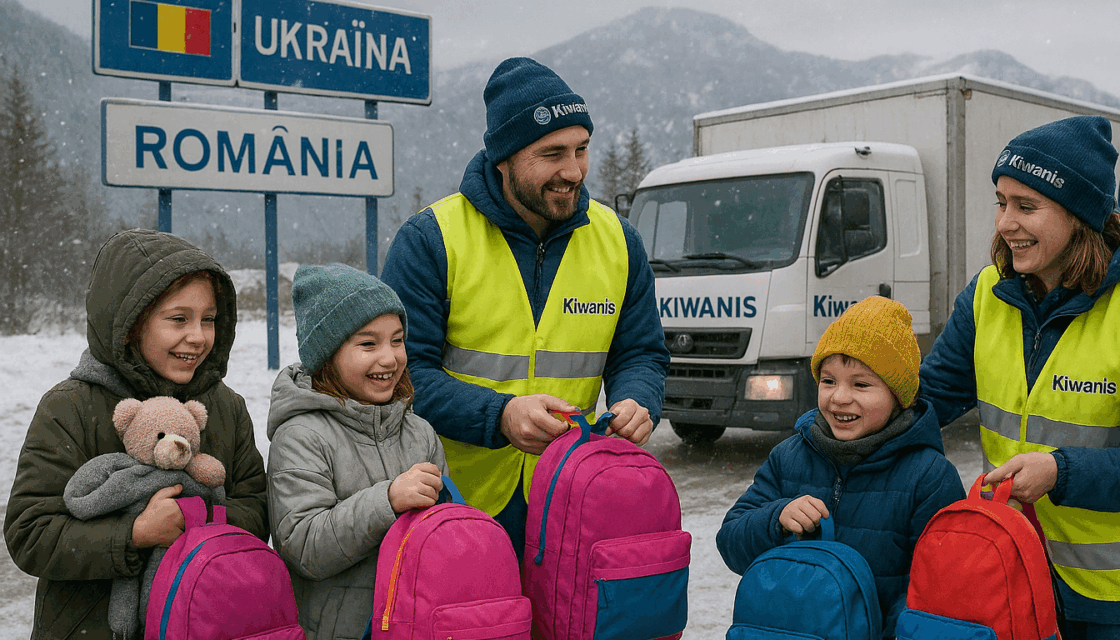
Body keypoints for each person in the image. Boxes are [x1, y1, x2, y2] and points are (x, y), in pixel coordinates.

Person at [919, 116, 1120, 639]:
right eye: (1001, 203)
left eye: (1026, 206)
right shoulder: (987, 295)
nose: (1005, 223)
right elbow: (929, 399)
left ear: (1079, 216)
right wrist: (848, 409)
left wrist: (1059, 472)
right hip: (1025, 572)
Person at [380, 56, 669, 557]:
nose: (573, 171)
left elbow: (641, 352)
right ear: (504, 158)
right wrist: (500, 416)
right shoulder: (431, 239)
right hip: (453, 503)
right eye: (552, 153)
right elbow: (401, 376)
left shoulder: (620, 242)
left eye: (581, 149)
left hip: (572, 499)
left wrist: (638, 400)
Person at [4, 228, 269, 640]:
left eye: (209, 319)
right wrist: (133, 535)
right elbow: (31, 533)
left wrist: (197, 518)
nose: (198, 336)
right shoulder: (70, 407)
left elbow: (256, 509)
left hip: (202, 622)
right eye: (178, 319)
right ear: (129, 326)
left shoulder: (224, 407)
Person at [717, 297, 965, 637]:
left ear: (899, 396)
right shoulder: (789, 457)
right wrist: (776, 518)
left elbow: (935, 589)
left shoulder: (930, 477)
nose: (839, 397)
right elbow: (731, 543)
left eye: (861, 384)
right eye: (828, 381)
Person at [266, 263, 448, 640]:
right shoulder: (301, 436)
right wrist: (387, 501)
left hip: (414, 625)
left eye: (397, 340)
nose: (389, 358)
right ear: (327, 355)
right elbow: (303, 547)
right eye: (368, 344)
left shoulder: (421, 433)